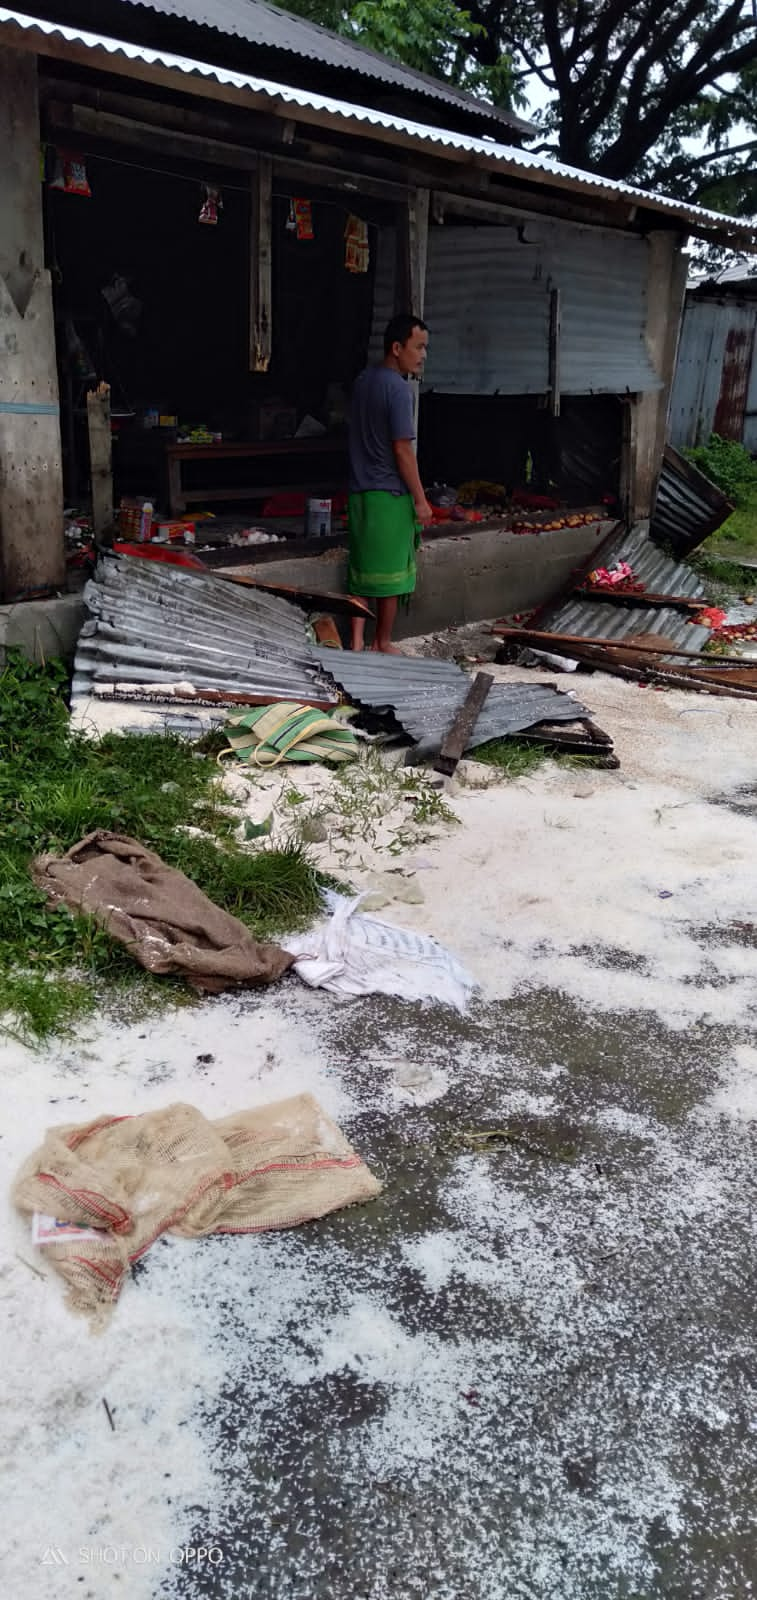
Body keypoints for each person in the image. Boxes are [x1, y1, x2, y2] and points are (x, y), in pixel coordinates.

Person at [347, 314, 433, 652]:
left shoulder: (363, 380)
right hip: (389, 494)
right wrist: (421, 500)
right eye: (419, 347)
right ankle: (381, 641)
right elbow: (402, 449)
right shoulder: (398, 389)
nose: (423, 355)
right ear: (397, 348)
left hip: (359, 492)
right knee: (392, 574)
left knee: (361, 571)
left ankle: (355, 643)